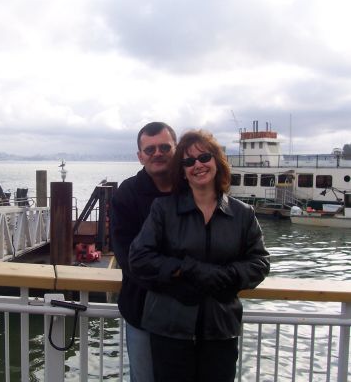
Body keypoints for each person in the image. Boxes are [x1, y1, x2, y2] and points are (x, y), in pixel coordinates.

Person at [129, 129, 270, 382]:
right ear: (182, 171)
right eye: (188, 161)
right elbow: (139, 257)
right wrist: (186, 269)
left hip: (220, 329)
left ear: (217, 160)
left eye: (204, 157)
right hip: (169, 328)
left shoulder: (242, 214)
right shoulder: (163, 209)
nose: (198, 165)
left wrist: (226, 275)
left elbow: (259, 263)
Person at [111, 121, 177, 381]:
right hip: (142, 308)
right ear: (140, 157)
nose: (157, 153)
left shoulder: (193, 189)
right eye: (150, 150)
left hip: (189, 311)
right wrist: (179, 274)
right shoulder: (127, 194)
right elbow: (127, 257)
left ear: (176, 149)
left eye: (164, 147)